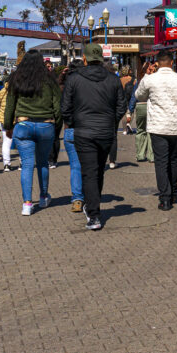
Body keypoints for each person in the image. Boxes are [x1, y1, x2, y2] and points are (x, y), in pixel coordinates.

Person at [61, 43, 125, 231]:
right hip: (105, 132)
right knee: (98, 170)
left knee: (89, 171)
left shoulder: (74, 79)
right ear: (102, 58)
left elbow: (65, 107)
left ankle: (94, 215)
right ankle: (93, 206)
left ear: (85, 59)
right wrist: (111, 122)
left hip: (83, 132)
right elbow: (121, 106)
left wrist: (74, 122)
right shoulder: (113, 79)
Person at [1, 50, 61, 216]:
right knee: (42, 163)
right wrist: (57, 127)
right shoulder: (49, 79)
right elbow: (58, 106)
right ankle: (43, 196)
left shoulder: (16, 78)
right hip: (46, 125)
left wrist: (8, 126)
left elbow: (9, 106)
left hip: (23, 124)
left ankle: (27, 203)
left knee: (27, 165)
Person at [134, 51, 177, 210]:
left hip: (158, 127)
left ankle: (165, 198)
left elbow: (139, 96)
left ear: (156, 63)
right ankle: (173, 191)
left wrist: (146, 75)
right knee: (174, 160)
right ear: (172, 63)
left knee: (161, 162)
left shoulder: (151, 79)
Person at [58, 64, 84, 212]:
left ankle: (77, 199)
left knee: (75, 166)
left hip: (70, 128)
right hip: (86, 128)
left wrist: (62, 76)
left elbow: (59, 89)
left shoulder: (67, 86)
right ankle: (90, 195)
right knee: (90, 166)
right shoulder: (87, 84)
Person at [128, 61, 157, 162]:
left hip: (140, 106)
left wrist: (130, 111)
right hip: (151, 106)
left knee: (140, 130)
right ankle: (151, 156)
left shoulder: (140, 80)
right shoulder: (155, 80)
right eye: (151, 68)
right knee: (151, 131)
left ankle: (140, 155)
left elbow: (134, 96)